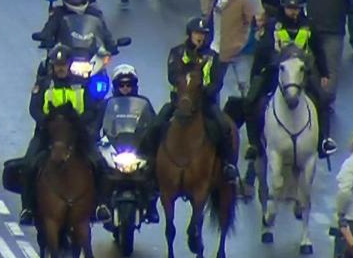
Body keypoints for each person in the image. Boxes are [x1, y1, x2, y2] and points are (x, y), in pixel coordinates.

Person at [18, 44, 111, 225]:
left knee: (99, 163)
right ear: (52, 65)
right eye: (57, 64)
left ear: (69, 65)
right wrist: (48, 123)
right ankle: (28, 208)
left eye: (64, 64)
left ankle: (100, 205)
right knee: (29, 165)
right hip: (48, 135)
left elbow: (92, 109)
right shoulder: (43, 84)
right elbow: (34, 108)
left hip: (77, 136)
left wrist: (78, 124)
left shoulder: (82, 84)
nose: (60, 68)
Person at [245, 0, 338, 159]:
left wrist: (324, 73)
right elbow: (262, 51)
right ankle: (253, 144)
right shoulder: (273, 25)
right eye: (290, 8)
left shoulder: (308, 25)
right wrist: (255, 75)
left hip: (303, 75)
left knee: (323, 100)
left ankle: (324, 141)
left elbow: (318, 49)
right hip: (276, 72)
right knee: (251, 102)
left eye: (296, 8)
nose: (293, 12)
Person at [146, 17, 239, 180]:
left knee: (224, 127)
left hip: (205, 103)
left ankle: (228, 165)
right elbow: (172, 75)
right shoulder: (177, 53)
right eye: (197, 33)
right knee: (156, 124)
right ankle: (150, 162)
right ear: (190, 34)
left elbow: (217, 81)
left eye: (203, 33)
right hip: (180, 103)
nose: (200, 37)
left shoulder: (212, 56)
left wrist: (205, 91)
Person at [102, 64, 160, 223]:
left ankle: (152, 206)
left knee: (156, 168)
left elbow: (153, 124)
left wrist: (152, 137)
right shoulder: (107, 104)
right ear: (116, 86)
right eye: (122, 85)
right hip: (114, 147)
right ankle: (100, 204)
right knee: (96, 167)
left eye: (129, 85)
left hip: (137, 148)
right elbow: (97, 125)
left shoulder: (143, 103)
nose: (125, 88)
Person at [33, 0, 118, 54]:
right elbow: (49, 28)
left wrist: (111, 44)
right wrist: (45, 37)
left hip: (91, 52)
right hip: (65, 53)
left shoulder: (94, 13)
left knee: (102, 67)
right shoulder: (58, 13)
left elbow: (105, 32)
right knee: (47, 65)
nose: (79, 2)